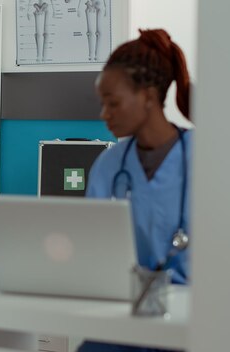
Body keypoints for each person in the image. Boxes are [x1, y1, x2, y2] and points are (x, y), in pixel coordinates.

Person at [81, 29, 192, 352]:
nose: (104, 115)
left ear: (148, 96)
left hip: (193, 315)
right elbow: (92, 245)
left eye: (113, 103)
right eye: (102, 104)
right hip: (125, 315)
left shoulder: (206, 159)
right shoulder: (108, 165)